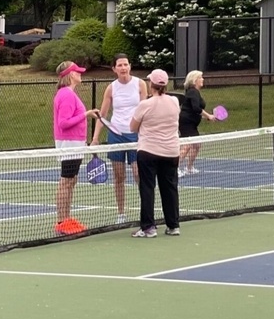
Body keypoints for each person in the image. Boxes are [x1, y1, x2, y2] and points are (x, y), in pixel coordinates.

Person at [90, 54, 147, 224]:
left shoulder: (140, 84)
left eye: (126, 64)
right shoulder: (111, 88)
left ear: (130, 66)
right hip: (115, 135)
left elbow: (145, 111)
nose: (123, 68)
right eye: (120, 65)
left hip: (135, 136)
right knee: (119, 177)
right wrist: (95, 139)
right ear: (114, 69)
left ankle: (146, 211)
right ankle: (121, 214)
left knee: (139, 174)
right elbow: (103, 115)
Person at [130, 69, 181, 238]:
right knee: (170, 188)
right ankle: (173, 226)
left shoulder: (145, 104)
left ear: (151, 84)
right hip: (171, 152)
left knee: (147, 188)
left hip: (148, 152)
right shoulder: (174, 101)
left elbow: (133, 127)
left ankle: (148, 228)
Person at [53, 62, 100, 235]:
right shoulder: (66, 95)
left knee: (71, 180)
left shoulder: (68, 94)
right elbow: (63, 123)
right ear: (70, 75)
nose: (80, 74)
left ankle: (66, 219)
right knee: (66, 181)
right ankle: (61, 221)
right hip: (69, 144)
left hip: (75, 143)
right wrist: (86, 114)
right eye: (77, 72)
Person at [178, 70, 216, 177]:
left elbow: (193, 110)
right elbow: (195, 108)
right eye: (200, 77)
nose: (203, 79)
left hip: (192, 122)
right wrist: (208, 115)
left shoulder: (194, 92)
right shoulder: (193, 92)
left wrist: (205, 117)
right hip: (186, 123)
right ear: (195, 80)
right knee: (187, 145)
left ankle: (189, 167)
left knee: (197, 145)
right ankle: (174, 168)